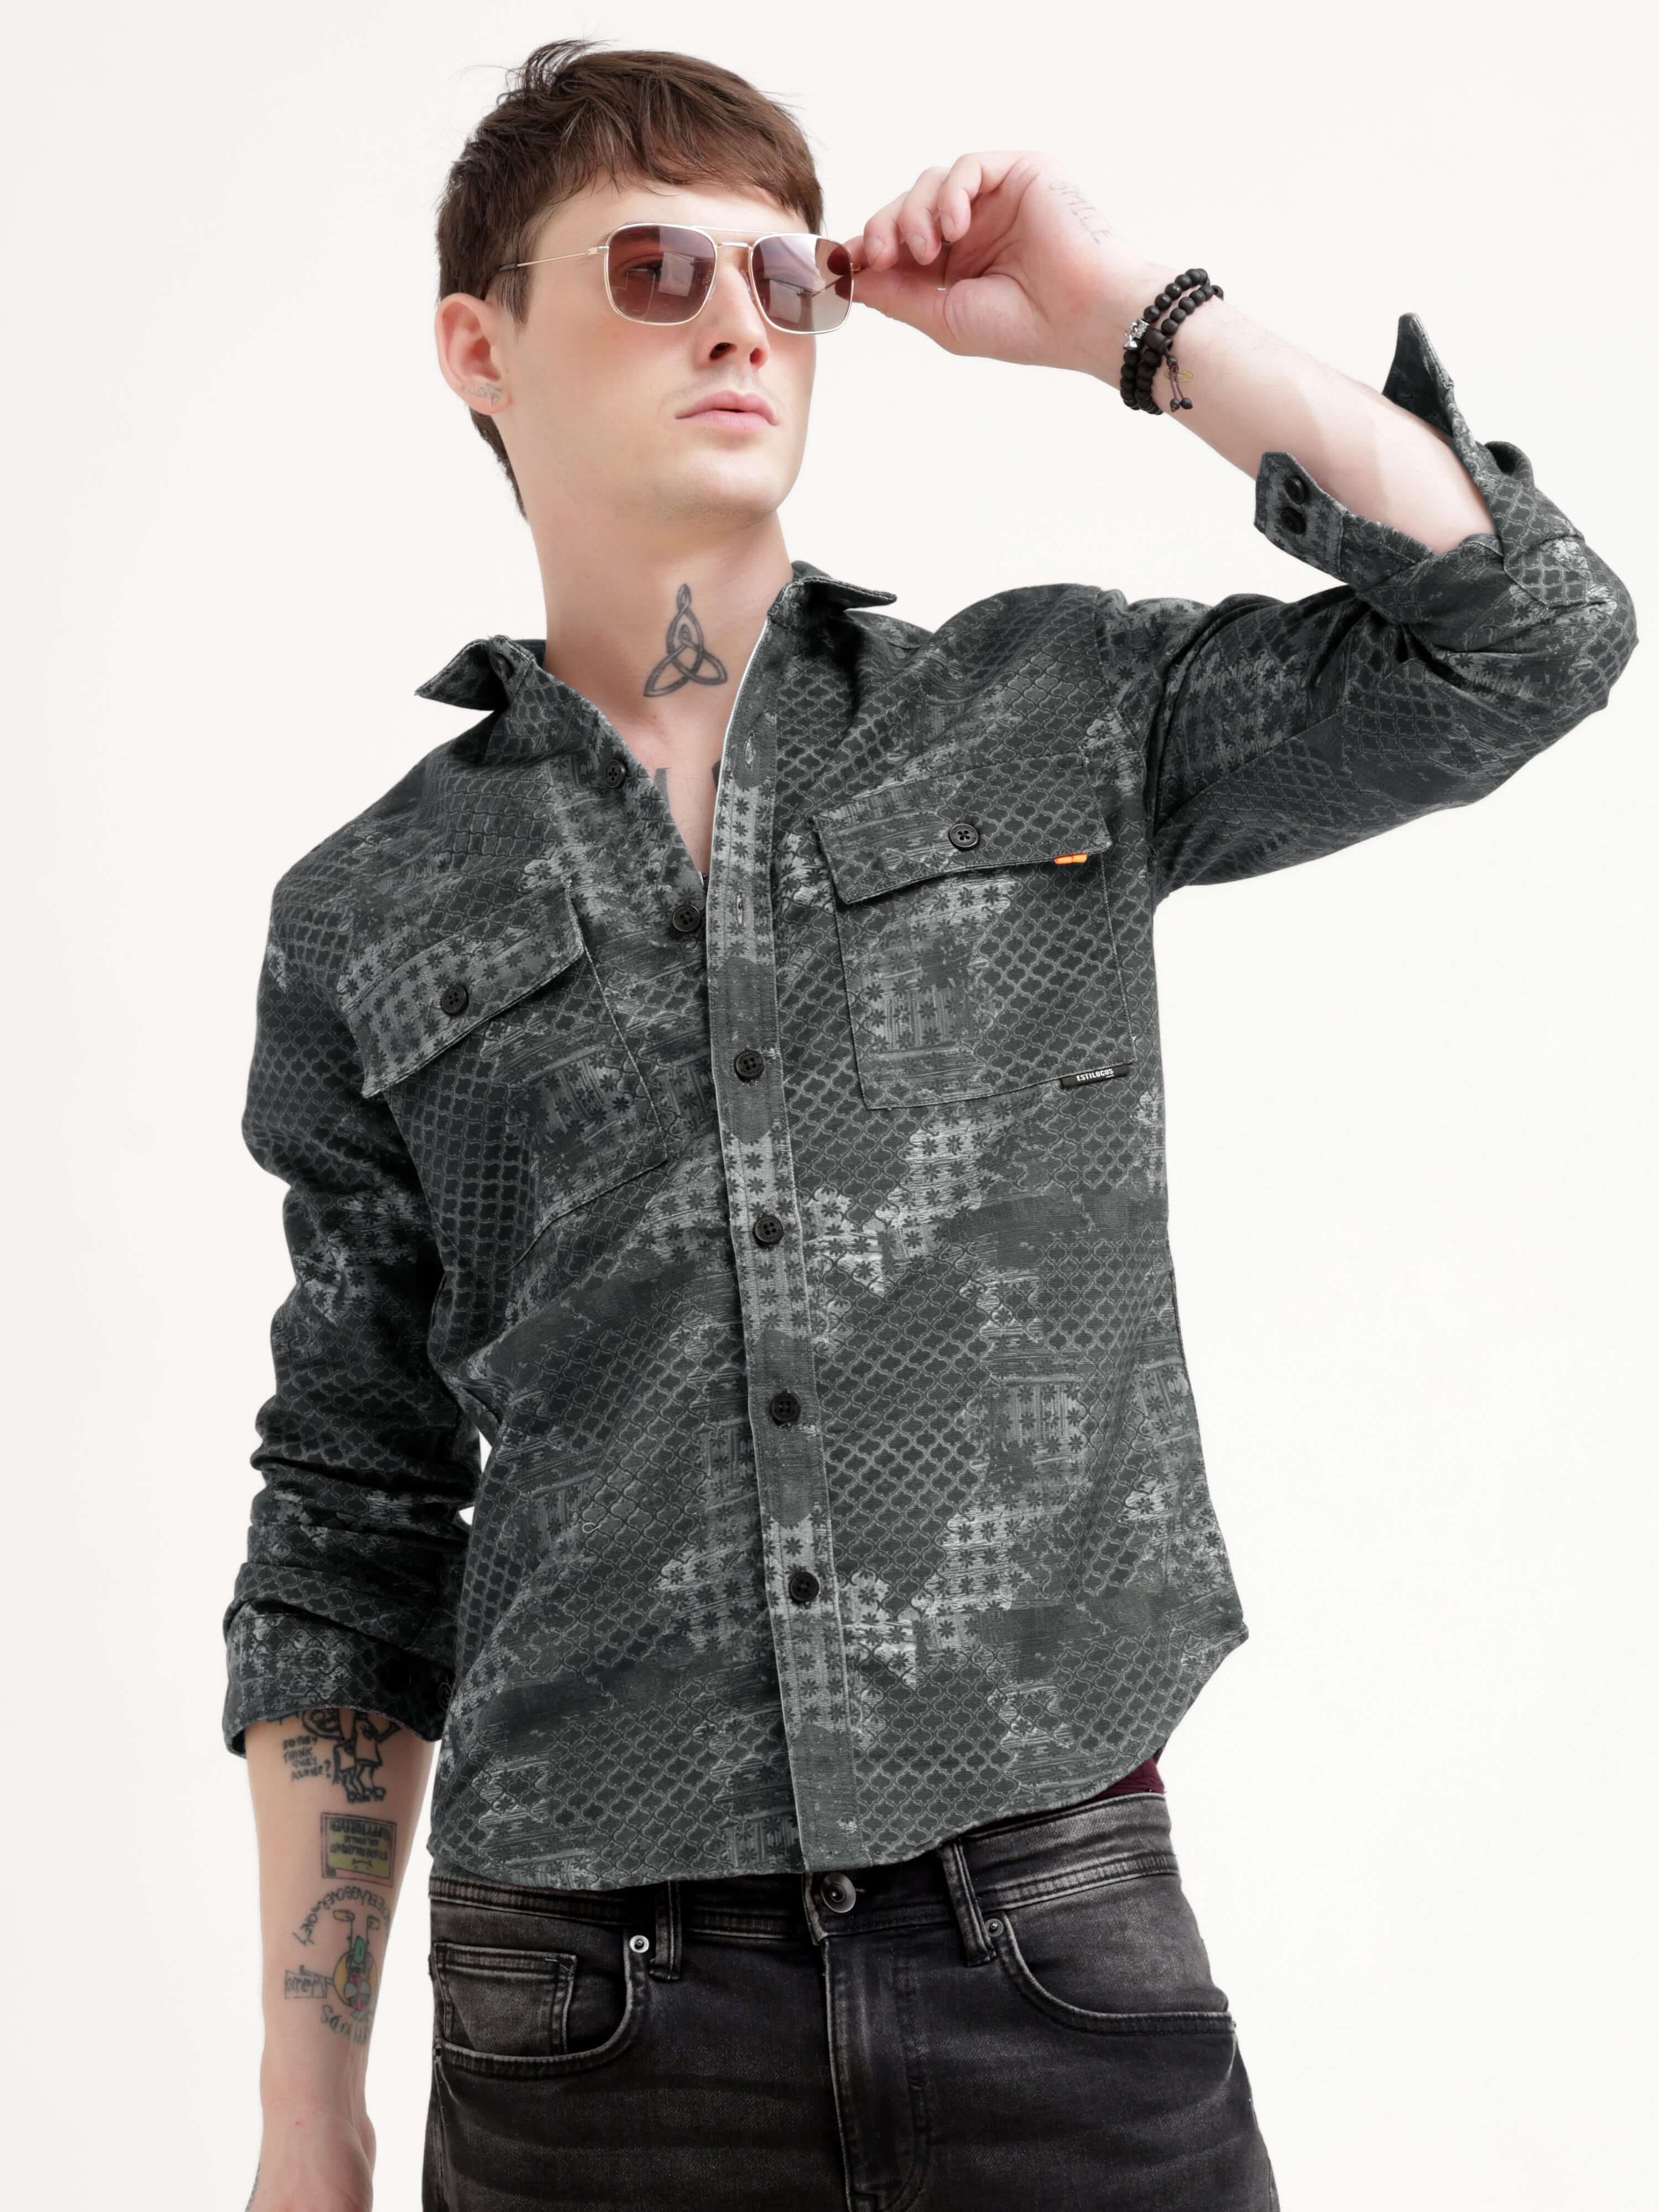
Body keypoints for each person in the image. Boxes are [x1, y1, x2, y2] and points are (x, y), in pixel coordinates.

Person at [225, 37, 1636, 2212]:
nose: (736, 320)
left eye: (783, 276)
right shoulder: (366, 912)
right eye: (655, 269)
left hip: (1056, 1951)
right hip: (587, 2022)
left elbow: (1529, 640)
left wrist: (1133, 318)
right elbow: (352, 1511)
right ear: (477, 347)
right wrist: (304, 2114)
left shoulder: (1052, 713)